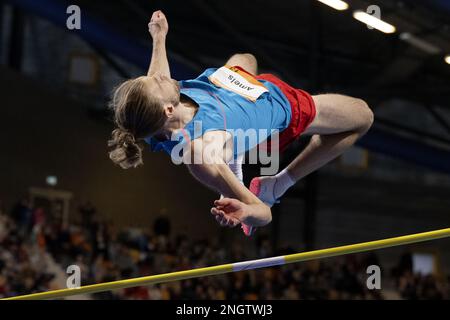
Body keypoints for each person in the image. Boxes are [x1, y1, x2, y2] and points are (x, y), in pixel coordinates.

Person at [108, 10, 374, 236]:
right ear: (168, 109)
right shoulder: (200, 151)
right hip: (283, 106)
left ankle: (233, 158)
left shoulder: (162, 108)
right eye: (156, 81)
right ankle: (276, 184)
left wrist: (159, 37)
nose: (159, 76)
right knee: (363, 117)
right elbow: (264, 214)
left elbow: (157, 73)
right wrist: (247, 211)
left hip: (231, 85)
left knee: (245, 58)